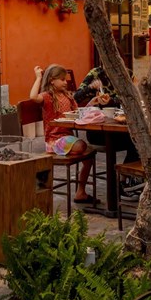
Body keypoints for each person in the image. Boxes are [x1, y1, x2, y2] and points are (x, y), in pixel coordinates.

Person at [30, 64, 97, 204]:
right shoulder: (47, 97)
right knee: (81, 146)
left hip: (67, 138)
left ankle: (81, 192)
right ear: (52, 80)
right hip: (54, 141)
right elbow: (33, 97)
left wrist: (92, 102)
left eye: (65, 79)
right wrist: (38, 78)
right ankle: (42, 177)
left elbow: (78, 113)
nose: (65, 82)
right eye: (62, 79)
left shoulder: (68, 96)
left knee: (89, 156)